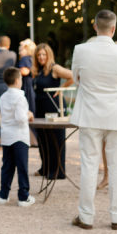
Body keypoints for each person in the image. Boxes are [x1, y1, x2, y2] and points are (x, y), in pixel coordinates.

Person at [69, 10, 117, 230]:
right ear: (113, 28)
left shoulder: (81, 50)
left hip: (90, 114)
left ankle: (86, 217)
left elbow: (75, 78)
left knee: (89, 166)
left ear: (94, 26)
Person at [32, 43, 73, 180]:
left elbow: (72, 76)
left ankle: (58, 171)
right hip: (40, 107)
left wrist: (60, 89)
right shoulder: (38, 70)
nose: (41, 57)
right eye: (39, 55)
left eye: (44, 54)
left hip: (53, 107)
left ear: (49, 55)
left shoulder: (54, 68)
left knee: (55, 139)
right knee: (42, 139)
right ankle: (45, 167)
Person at [0, 67, 35, 207]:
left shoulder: (3, 97)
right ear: (18, 80)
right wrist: (29, 115)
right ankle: (23, 196)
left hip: (6, 136)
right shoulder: (20, 97)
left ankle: (3, 195)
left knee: (7, 166)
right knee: (22, 167)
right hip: (19, 137)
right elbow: (20, 118)